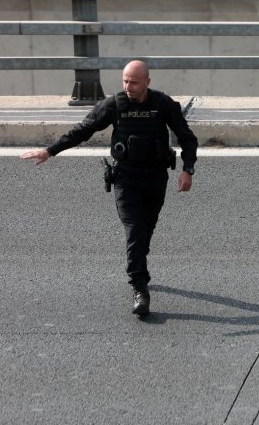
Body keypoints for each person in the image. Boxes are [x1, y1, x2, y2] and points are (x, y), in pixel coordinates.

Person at [21, 60, 198, 315]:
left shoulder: (163, 104)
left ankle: (138, 262)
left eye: (135, 82)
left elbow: (187, 139)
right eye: (125, 81)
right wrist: (50, 151)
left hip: (156, 177)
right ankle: (139, 288)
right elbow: (84, 130)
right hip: (126, 178)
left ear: (147, 82)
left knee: (146, 230)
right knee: (135, 231)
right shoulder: (114, 105)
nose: (129, 86)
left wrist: (187, 169)